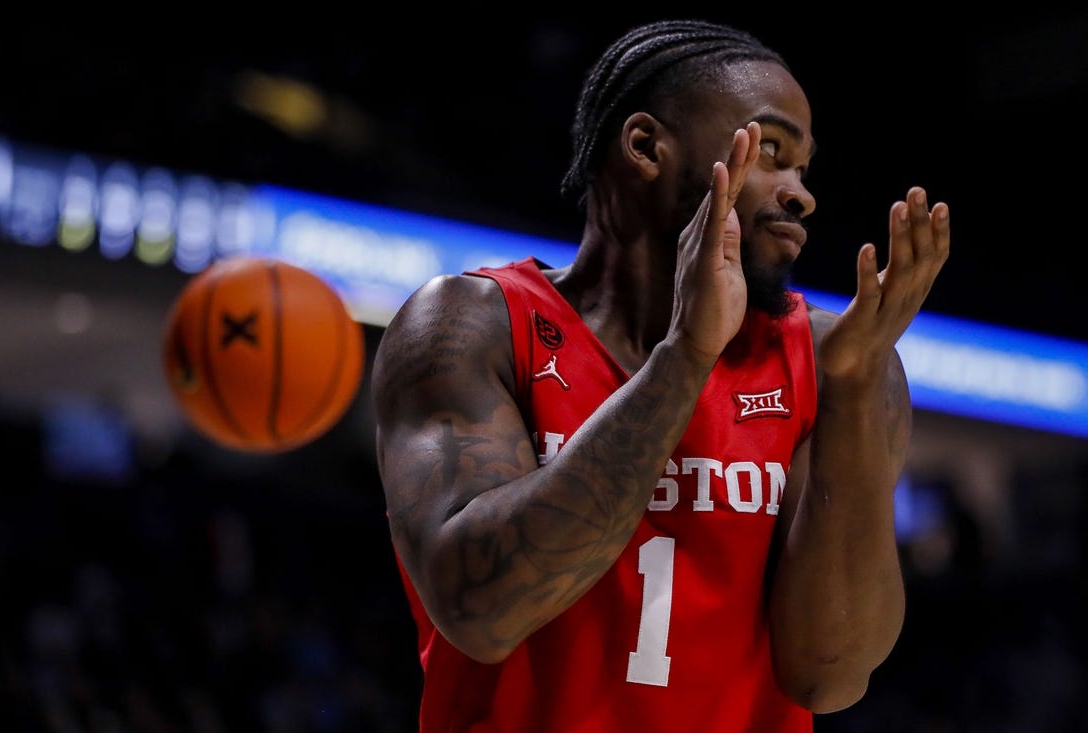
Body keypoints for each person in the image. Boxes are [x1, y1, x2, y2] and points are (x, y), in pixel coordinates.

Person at [371, 18, 950, 733]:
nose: (800, 195)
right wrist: (684, 357)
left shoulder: (835, 366)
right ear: (646, 146)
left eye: (804, 169)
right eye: (771, 151)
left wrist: (858, 387)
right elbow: (483, 612)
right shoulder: (469, 325)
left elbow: (826, 672)